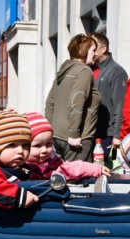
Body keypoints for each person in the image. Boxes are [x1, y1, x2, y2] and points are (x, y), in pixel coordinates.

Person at [45, 34, 101, 162]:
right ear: (84, 51)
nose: (95, 54)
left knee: (62, 177)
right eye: (93, 50)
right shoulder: (84, 71)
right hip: (76, 139)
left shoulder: (64, 70)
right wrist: (74, 134)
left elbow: (50, 103)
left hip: (57, 136)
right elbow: (76, 102)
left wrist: (50, 129)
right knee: (77, 180)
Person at [0, 109, 39, 210]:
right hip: (7, 221)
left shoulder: (29, 168)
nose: (20, 151)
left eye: (25, 145)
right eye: (12, 145)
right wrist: (19, 196)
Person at [24, 112, 110, 182]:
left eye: (48, 144)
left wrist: (97, 169)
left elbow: (74, 168)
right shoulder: (20, 170)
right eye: (37, 146)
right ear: (24, 146)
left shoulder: (54, 165)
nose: (44, 150)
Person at [90, 32, 128, 160]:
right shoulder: (88, 69)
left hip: (106, 134)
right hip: (90, 133)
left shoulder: (117, 72)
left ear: (103, 48)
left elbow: (119, 104)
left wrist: (116, 134)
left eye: (94, 48)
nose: (91, 52)